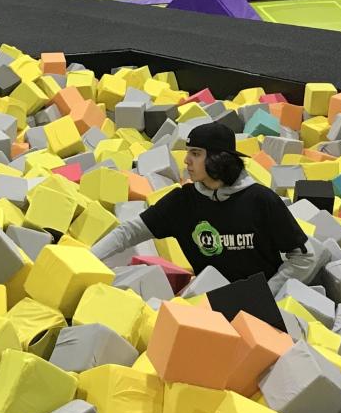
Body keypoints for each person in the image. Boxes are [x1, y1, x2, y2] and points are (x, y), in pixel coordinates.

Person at [91, 122, 324, 292]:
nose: (186, 161)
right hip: (209, 302)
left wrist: (269, 293)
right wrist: (88, 260)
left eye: (195, 154)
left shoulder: (261, 200)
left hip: (260, 307)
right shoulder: (182, 202)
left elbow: (304, 256)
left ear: (218, 159)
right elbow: (128, 232)